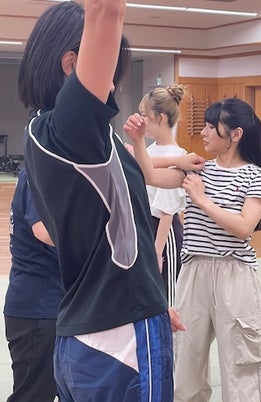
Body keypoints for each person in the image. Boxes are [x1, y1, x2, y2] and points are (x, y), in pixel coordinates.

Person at [18, 1, 201, 400]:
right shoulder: (71, 129)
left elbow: (120, 208)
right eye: (111, 74)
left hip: (93, 331)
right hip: (119, 341)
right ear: (72, 63)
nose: (113, 87)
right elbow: (106, 10)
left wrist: (149, 297)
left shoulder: (62, 136)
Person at [124, 97, 261, 402]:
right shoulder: (198, 170)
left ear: (235, 134)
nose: (203, 132)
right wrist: (139, 141)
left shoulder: (256, 175)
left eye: (210, 126)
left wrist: (202, 200)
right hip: (193, 271)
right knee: (186, 366)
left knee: (241, 369)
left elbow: (244, 227)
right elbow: (148, 175)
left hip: (235, 275)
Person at [5, 167, 64, 402]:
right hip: (39, 308)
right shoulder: (38, 172)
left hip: (51, 304)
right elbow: (44, 232)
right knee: (33, 395)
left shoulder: (40, 170)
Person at [138, 85, 188, 305]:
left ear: (160, 118)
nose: (141, 120)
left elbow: (167, 211)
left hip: (164, 233)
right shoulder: (150, 151)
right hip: (147, 226)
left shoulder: (178, 155)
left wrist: (158, 252)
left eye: (144, 116)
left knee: (167, 298)